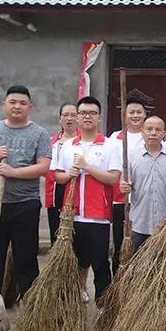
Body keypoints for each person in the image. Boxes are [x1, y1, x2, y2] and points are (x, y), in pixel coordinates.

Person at [0, 85, 52, 296]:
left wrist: (12, 172)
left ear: (30, 107)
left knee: (26, 261)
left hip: (25, 206)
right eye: (13, 102)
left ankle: (30, 310)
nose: (17, 106)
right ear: (4, 105)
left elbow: (43, 167)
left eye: (23, 103)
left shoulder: (39, 133)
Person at [54, 96, 121, 304]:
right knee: (75, 263)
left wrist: (87, 167)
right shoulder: (67, 146)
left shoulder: (110, 145)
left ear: (99, 117)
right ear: (77, 118)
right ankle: (76, 298)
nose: (87, 117)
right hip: (72, 216)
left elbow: (113, 178)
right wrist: (69, 175)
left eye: (92, 113)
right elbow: (58, 176)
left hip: (97, 216)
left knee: (100, 264)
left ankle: (103, 305)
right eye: (83, 113)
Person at [119, 116, 166, 252]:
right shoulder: (131, 157)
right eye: (149, 129)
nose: (153, 133)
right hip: (139, 223)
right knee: (136, 266)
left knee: (161, 267)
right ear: (142, 132)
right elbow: (125, 184)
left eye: (158, 130)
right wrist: (124, 187)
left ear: (164, 133)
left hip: (165, 223)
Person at [110, 92, 147, 275]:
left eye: (138, 112)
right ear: (124, 115)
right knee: (120, 244)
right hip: (120, 200)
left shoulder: (150, 137)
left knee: (141, 245)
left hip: (143, 200)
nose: (135, 116)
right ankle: (118, 285)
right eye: (131, 112)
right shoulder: (115, 138)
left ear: (144, 115)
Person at [45, 104, 79, 243]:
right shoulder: (50, 142)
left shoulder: (83, 141)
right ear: (60, 118)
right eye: (65, 115)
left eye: (73, 115)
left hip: (75, 189)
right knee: (55, 231)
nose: (69, 118)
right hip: (54, 191)